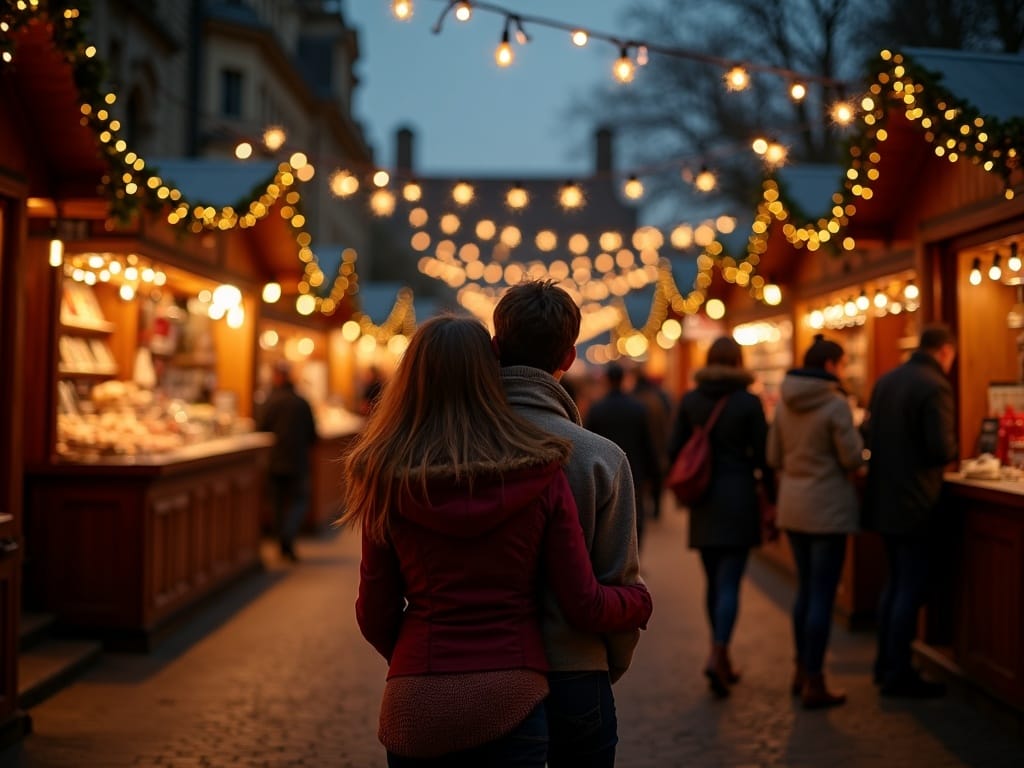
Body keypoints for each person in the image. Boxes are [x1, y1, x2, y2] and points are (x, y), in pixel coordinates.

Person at [340, 316, 653, 767]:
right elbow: (581, 600)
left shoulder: (384, 477)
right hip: (513, 693)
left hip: (415, 699)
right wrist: (639, 603)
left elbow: (374, 612)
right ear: (492, 367)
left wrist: (420, 657)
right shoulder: (539, 470)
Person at [493, 280, 641, 768]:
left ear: (496, 346)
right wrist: (604, 664)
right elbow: (617, 577)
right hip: (576, 668)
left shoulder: (456, 446)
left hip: (479, 672)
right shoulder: (601, 459)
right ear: (571, 356)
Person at [667, 336, 770, 697]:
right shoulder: (749, 402)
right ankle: (719, 652)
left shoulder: (691, 400)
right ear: (739, 361)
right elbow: (763, 457)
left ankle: (719, 653)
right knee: (730, 582)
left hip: (704, 501)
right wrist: (769, 496)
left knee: (713, 581)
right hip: (739, 496)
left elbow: (673, 449)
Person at [767, 335, 864, 709]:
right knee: (822, 595)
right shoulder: (836, 405)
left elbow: (773, 454)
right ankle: (816, 679)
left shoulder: (785, 402)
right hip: (829, 509)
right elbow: (852, 458)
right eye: (840, 364)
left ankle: (800, 669)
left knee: (805, 591)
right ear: (829, 365)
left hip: (794, 507)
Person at [862, 324, 958, 698]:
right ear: (945, 351)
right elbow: (940, 449)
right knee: (910, 586)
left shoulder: (887, 380)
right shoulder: (934, 386)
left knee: (896, 583)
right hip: (916, 501)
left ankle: (884, 664)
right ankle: (898, 671)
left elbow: (868, 435)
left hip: (884, 499)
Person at [585, 363, 660, 548]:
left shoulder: (597, 409)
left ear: (607, 381)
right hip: (635, 470)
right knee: (635, 515)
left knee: (606, 516)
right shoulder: (638, 408)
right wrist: (654, 473)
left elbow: (587, 443)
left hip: (604, 470)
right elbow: (647, 443)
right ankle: (634, 557)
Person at [256, 362, 317, 562]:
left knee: (277, 503)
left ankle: (282, 538)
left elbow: (261, 428)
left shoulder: (270, 402)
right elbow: (312, 434)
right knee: (300, 501)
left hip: (275, 460)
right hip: (298, 459)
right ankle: (288, 535)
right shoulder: (302, 402)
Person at [631, 371, 673, 520]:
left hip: (637, 447)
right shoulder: (657, 400)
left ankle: (644, 510)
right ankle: (656, 507)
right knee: (655, 475)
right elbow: (664, 425)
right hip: (656, 443)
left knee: (639, 481)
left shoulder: (634, 400)